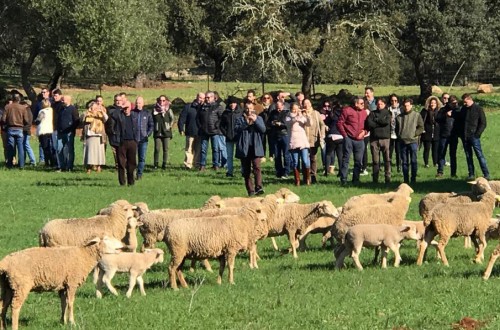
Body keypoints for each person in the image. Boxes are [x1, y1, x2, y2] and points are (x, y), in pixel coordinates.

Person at [234, 102, 266, 196]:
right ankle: (250, 190)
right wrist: (246, 123)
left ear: (254, 109)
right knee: (246, 170)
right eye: (247, 108)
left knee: (257, 167)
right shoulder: (239, 119)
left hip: (255, 147)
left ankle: (258, 187)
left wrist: (255, 121)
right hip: (244, 148)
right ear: (245, 109)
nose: (249, 110)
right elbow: (236, 130)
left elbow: (263, 130)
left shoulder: (259, 118)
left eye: (251, 108)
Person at [337, 96, 368, 185]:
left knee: (358, 160)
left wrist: (364, 132)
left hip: (360, 140)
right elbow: (340, 123)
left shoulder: (364, 113)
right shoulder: (347, 111)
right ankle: (344, 179)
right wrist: (345, 135)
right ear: (356, 103)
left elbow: (367, 125)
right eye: (361, 103)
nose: (363, 105)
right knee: (346, 159)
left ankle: (356, 179)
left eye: (364, 103)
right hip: (349, 138)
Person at [457, 93, 489, 180]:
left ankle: (486, 173)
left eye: (465, 102)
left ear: (470, 99)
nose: (464, 104)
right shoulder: (463, 109)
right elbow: (459, 121)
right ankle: (471, 174)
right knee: (468, 156)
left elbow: (483, 123)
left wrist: (477, 134)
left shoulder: (478, 109)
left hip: (474, 136)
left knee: (479, 155)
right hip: (465, 136)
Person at [108, 100, 139, 186]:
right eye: (124, 108)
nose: (125, 110)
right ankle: (122, 182)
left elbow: (138, 128)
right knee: (121, 163)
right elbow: (112, 115)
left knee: (132, 163)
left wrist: (137, 140)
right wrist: (120, 107)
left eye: (127, 108)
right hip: (121, 142)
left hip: (132, 141)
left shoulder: (134, 116)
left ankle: (131, 182)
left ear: (130, 108)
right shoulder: (119, 116)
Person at [396, 98, 424, 184]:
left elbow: (421, 127)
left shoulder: (416, 115)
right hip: (403, 142)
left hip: (413, 141)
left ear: (411, 106)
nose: (406, 107)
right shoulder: (399, 117)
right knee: (404, 162)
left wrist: (415, 134)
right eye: (405, 106)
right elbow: (396, 129)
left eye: (408, 105)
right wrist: (399, 135)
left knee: (413, 161)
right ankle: (406, 179)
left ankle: (413, 178)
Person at [365, 98, 392, 183]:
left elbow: (386, 122)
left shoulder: (388, 113)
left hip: (385, 138)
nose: (379, 105)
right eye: (378, 104)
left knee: (387, 159)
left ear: (384, 104)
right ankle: (375, 178)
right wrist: (380, 122)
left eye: (381, 104)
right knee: (375, 160)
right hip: (374, 139)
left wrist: (376, 121)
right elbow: (369, 123)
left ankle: (387, 177)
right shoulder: (372, 113)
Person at [197, 91, 224, 171]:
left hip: (214, 131)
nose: (207, 99)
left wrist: (217, 125)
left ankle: (216, 165)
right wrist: (200, 126)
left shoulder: (218, 106)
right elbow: (197, 118)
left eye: (208, 97)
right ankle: (202, 165)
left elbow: (222, 118)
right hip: (204, 131)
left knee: (215, 149)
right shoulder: (202, 107)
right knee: (203, 149)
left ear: (213, 97)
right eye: (206, 97)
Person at [1, 93, 30, 168]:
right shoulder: (23, 108)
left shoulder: (7, 107)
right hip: (20, 129)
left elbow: (3, 119)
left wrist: (8, 122)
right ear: (19, 99)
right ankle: (21, 165)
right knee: (20, 147)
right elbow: (26, 120)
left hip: (10, 128)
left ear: (12, 99)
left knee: (10, 146)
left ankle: (9, 164)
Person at [286, 103, 311, 186]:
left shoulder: (302, 117)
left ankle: (307, 179)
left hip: (303, 142)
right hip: (293, 142)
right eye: (294, 109)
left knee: (305, 160)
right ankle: (297, 180)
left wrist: (307, 115)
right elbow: (291, 122)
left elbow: (309, 124)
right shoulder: (288, 117)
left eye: (297, 109)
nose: (296, 111)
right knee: (295, 162)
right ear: (291, 109)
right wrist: (297, 116)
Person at [178, 92, 203, 169]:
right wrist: (181, 128)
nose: (201, 100)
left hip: (200, 132)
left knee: (198, 150)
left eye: (203, 98)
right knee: (189, 149)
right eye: (200, 98)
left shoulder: (204, 108)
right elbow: (182, 118)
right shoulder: (188, 107)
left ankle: (197, 164)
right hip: (190, 131)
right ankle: (188, 165)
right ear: (197, 97)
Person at [436, 95, 458, 178]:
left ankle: (453, 172)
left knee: (453, 154)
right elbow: (437, 118)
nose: (454, 104)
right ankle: (440, 171)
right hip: (444, 135)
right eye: (453, 103)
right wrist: (445, 115)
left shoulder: (457, 110)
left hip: (453, 135)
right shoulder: (443, 110)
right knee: (442, 153)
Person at [81, 101, 107, 173]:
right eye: (94, 107)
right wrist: (87, 112)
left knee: (99, 153)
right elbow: (81, 119)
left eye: (97, 107)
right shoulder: (87, 114)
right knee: (89, 153)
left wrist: (102, 111)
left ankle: (99, 167)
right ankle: (88, 168)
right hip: (90, 136)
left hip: (99, 136)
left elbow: (106, 118)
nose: (96, 109)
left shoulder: (100, 114)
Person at [220, 96, 243, 177]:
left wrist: (240, 133)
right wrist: (226, 133)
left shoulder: (241, 112)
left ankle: (243, 171)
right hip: (229, 138)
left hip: (239, 137)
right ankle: (229, 172)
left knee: (241, 155)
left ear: (236, 103)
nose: (232, 105)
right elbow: (221, 125)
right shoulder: (225, 113)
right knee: (229, 156)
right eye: (231, 103)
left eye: (234, 103)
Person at [303, 99, 325, 184]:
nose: (306, 105)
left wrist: (322, 135)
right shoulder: (301, 113)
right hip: (303, 139)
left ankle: (313, 175)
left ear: (311, 104)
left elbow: (322, 124)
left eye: (308, 103)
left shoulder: (316, 113)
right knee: (305, 158)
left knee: (313, 158)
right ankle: (306, 176)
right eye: (305, 103)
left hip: (313, 139)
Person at [267, 100, 291, 179]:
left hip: (284, 135)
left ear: (283, 106)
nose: (278, 109)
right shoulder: (273, 113)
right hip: (275, 135)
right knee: (277, 155)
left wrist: (281, 124)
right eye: (277, 107)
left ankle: (286, 172)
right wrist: (272, 123)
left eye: (279, 107)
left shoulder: (287, 113)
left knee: (286, 154)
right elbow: (268, 122)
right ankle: (279, 171)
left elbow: (288, 124)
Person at [56, 95, 79, 171]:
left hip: (69, 133)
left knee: (69, 150)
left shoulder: (73, 109)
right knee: (59, 149)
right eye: (62, 100)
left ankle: (69, 167)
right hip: (60, 132)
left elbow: (76, 121)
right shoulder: (61, 108)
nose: (62, 101)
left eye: (63, 100)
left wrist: (71, 129)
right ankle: (61, 166)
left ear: (69, 100)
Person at [152, 95, 174, 170]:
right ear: (158, 101)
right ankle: (155, 164)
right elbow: (152, 120)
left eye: (163, 100)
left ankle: (164, 164)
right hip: (157, 132)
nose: (162, 102)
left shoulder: (169, 110)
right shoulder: (154, 110)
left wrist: (169, 126)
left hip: (166, 132)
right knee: (157, 149)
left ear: (166, 101)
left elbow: (172, 119)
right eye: (160, 100)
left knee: (166, 149)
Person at [134, 96, 153, 179]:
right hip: (133, 139)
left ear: (143, 104)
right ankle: (132, 172)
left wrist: (147, 134)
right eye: (137, 103)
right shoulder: (132, 113)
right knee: (132, 157)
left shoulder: (147, 113)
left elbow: (151, 125)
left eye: (140, 103)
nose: (138, 104)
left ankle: (139, 174)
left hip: (143, 139)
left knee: (142, 158)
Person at [420, 96, 442, 168]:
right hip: (427, 133)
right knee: (427, 149)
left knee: (435, 149)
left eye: (434, 103)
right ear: (429, 103)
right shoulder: (424, 111)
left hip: (436, 133)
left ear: (437, 104)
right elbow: (420, 121)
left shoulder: (439, 111)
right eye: (431, 103)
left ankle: (435, 163)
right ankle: (426, 163)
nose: (433, 104)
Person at [324, 99, 343, 177]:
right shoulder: (342, 114)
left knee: (328, 154)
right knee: (340, 155)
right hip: (340, 135)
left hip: (331, 135)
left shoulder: (331, 114)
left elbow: (326, 122)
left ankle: (326, 171)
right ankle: (341, 171)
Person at [361, 86, 376, 176]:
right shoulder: (364, 103)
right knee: (364, 149)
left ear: (372, 93)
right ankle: (364, 167)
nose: (366, 94)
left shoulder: (376, 103)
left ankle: (376, 166)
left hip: (375, 129)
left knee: (375, 149)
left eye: (368, 93)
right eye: (365, 93)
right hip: (366, 130)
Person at [34, 99, 55, 167]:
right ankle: (52, 162)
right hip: (50, 130)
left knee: (45, 147)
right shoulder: (52, 110)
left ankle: (47, 162)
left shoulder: (42, 111)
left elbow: (38, 120)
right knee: (51, 147)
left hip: (43, 131)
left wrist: (35, 121)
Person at [106, 94, 124, 169]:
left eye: (119, 100)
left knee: (122, 151)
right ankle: (118, 165)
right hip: (113, 134)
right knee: (115, 152)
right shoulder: (111, 110)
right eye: (116, 100)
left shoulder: (124, 110)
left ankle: (122, 165)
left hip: (122, 134)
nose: (118, 102)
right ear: (114, 101)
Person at [388, 94, 401, 172]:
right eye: (392, 100)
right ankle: (388, 166)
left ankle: (399, 166)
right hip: (390, 132)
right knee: (390, 151)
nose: (394, 102)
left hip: (399, 133)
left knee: (398, 151)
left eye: (395, 100)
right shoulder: (387, 109)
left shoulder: (401, 109)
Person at [259, 93, 275, 161]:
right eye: (264, 98)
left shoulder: (272, 106)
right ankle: (263, 156)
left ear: (270, 99)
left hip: (270, 127)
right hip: (262, 126)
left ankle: (271, 155)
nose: (266, 99)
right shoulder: (260, 106)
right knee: (262, 141)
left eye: (268, 98)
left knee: (271, 141)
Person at [22, 100, 36, 166]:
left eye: (23, 104)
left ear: (27, 104)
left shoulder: (27, 112)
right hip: (26, 130)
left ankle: (33, 161)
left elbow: (27, 122)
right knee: (24, 146)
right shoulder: (28, 111)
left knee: (26, 145)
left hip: (26, 131)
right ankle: (23, 160)